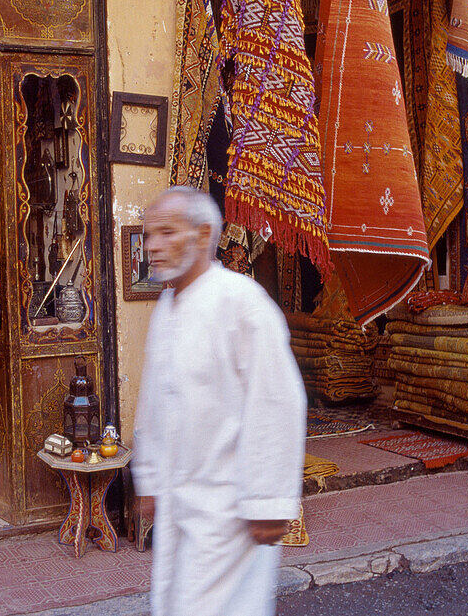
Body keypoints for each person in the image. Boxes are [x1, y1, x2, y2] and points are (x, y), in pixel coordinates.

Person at [131, 186, 306, 616]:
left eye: (167, 233)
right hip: (182, 502)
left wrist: (269, 502)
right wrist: (150, 477)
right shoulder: (167, 308)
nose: (152, 246)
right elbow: (154, 400)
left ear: (204, 233)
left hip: (231, 508)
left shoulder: (242, 303)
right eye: (150, 234)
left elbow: (278, 403)